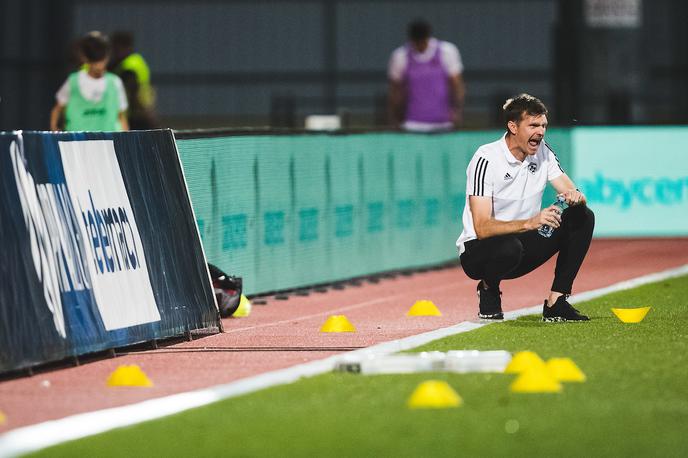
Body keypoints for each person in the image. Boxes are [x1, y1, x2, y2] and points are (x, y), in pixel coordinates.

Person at [456, 94, 594, 322]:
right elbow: (481, 227)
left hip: (521, 245)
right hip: (479, 253)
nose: (540, 132)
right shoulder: (486, 158)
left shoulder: (543, 152)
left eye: (543, 125)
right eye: (533, 125)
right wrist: (530, 222)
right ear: (513, 126)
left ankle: (557, 302)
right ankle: (489, 288)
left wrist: (575, 197)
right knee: (509, 246)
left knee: (583, 217)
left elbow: (574, 193)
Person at [387, 19, 466, 132]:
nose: (420, 45)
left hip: (443, 124)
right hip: (412, 124)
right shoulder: (400, 56)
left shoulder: (447, 51)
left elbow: (457, 85)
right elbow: (395, 91)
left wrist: (457, 112)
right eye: (416, 42)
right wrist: (394, 118)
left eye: (422, 41)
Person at [50, 31, 129, 132]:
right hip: (78, 145)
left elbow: (122, 117)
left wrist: (125, 140)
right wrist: (54, 131)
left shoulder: (115, 83)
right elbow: (56, 110)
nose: (99, 66)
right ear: (85, 58)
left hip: (107, 145)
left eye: (101, 59)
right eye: (95, 61)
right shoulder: (73, 82)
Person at [109, 31, 159, 130]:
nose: (113, 52)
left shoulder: (129, 67)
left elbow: (130, 91)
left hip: (136, 115)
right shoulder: (136, 60)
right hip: (142, 112)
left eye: (115, 48)